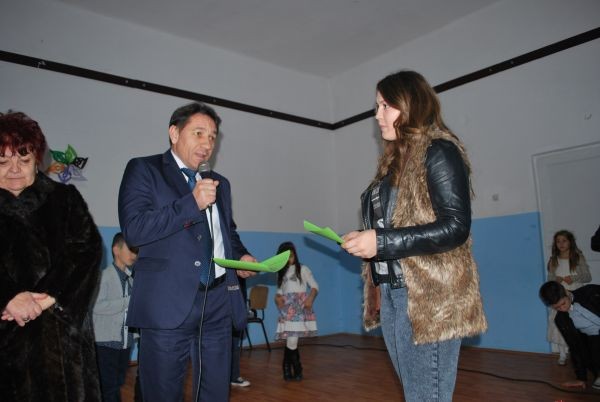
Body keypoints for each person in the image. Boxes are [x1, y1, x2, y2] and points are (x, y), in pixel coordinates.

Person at [341, 70, 487, 402]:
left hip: (428, 300)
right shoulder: (393, 164)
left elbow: (455, 227)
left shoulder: (439, 151)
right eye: (376, 106)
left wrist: (380, 241)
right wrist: (366, 243)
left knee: (426, 396)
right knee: (416, 394)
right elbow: (394, 227)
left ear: (410, 104)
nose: (377, 115)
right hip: (394, 295)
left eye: (385, 105)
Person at [118, 102, 255, 402]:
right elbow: (135, 230)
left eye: (213, 137)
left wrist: (242, 257)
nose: (207, 144)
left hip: (217, 301)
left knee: (215, 392)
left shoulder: (220, 184)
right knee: (162, 393)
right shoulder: (144, 170)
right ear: (174, 133)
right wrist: (191, 203)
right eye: (199, 133)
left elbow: (227, 234)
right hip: (167, 302)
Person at [0, 111, 103, 401]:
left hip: (62, 337)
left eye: (24, 159)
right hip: (8, 337)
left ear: (37, 160)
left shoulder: (65, 198)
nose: (14, 169)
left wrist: (49, 296)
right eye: (3, 162)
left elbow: (86, 250)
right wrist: (9, 297)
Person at [93, 232, 139, 402]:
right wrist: (128, 301)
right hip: (106, 343)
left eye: (136, 251)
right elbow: (96, 306)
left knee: (118, 382)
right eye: (130, 249)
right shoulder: (103, 277)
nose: (134, 254)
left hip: (125, 342)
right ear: (116, 250)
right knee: (109, 387)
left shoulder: (131, 279)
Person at [539, 281, 600, 389]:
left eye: (563, 303)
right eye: (557, 307)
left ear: (566, 292)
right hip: (595, 340)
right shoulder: (561, 320)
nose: (562, 309)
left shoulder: (591, 292)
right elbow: (575, 347)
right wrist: (581, 378)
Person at [274, 241, 319, 381]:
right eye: (286, 257)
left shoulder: (303, 269)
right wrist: (278, 298)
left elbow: (315, 286)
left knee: (292, 341)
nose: (289, 260)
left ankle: (289, 367)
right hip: (287, 310)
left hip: (300, 308)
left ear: (295, 255)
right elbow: (280, 291)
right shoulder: (281, 272)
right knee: (291, 340)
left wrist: (310, 299)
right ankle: (295, 369)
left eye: (291, 256)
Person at [546, 230, 591, 365]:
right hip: (559, 295)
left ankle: (580, 352)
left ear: (570, 242)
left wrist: (573, 278)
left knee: (576, 323)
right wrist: (556, 279)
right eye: (558, 241)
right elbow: (550, 278)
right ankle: (562, 353)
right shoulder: (554, 260)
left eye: (564, 241)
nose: (561, 244)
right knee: (560, 324)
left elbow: (587, 276)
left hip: (575, 294)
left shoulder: (577, 257)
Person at [230, 277, 251, 388]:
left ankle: (234, 377)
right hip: (224, 309)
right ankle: (223, 377)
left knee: (234, 345)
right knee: (225, 347)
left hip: (237, 309)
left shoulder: (241, 279)